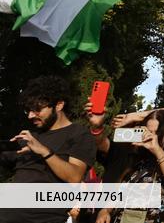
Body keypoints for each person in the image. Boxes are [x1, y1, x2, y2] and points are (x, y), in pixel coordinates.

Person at [0, 76, 96, 223]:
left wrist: (43, 151)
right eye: (28, 111)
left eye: (37, 109)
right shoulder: (32, 136)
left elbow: (75, 177)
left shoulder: (79, 134)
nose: (31, 115)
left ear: (59, 105)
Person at [95, 110, 164, 223]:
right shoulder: (138, 160)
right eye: (148, 131)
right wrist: (105, 211)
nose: (151, 137)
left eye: (157, 133)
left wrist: (156, 148)